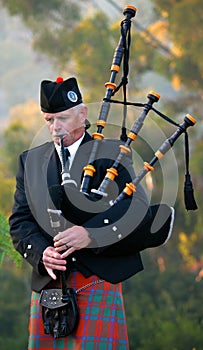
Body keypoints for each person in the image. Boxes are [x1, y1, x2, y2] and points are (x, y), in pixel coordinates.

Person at [9, 76, 174, 349]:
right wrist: (41, 253)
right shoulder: (31, 161)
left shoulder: (114, 153)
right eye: (48, 120)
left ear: (82, 114)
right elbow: (20, 221)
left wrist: (91, 234)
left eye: (62, 118)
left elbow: (135, 206)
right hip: (51, 286)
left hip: (97, 280)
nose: (55, 127)